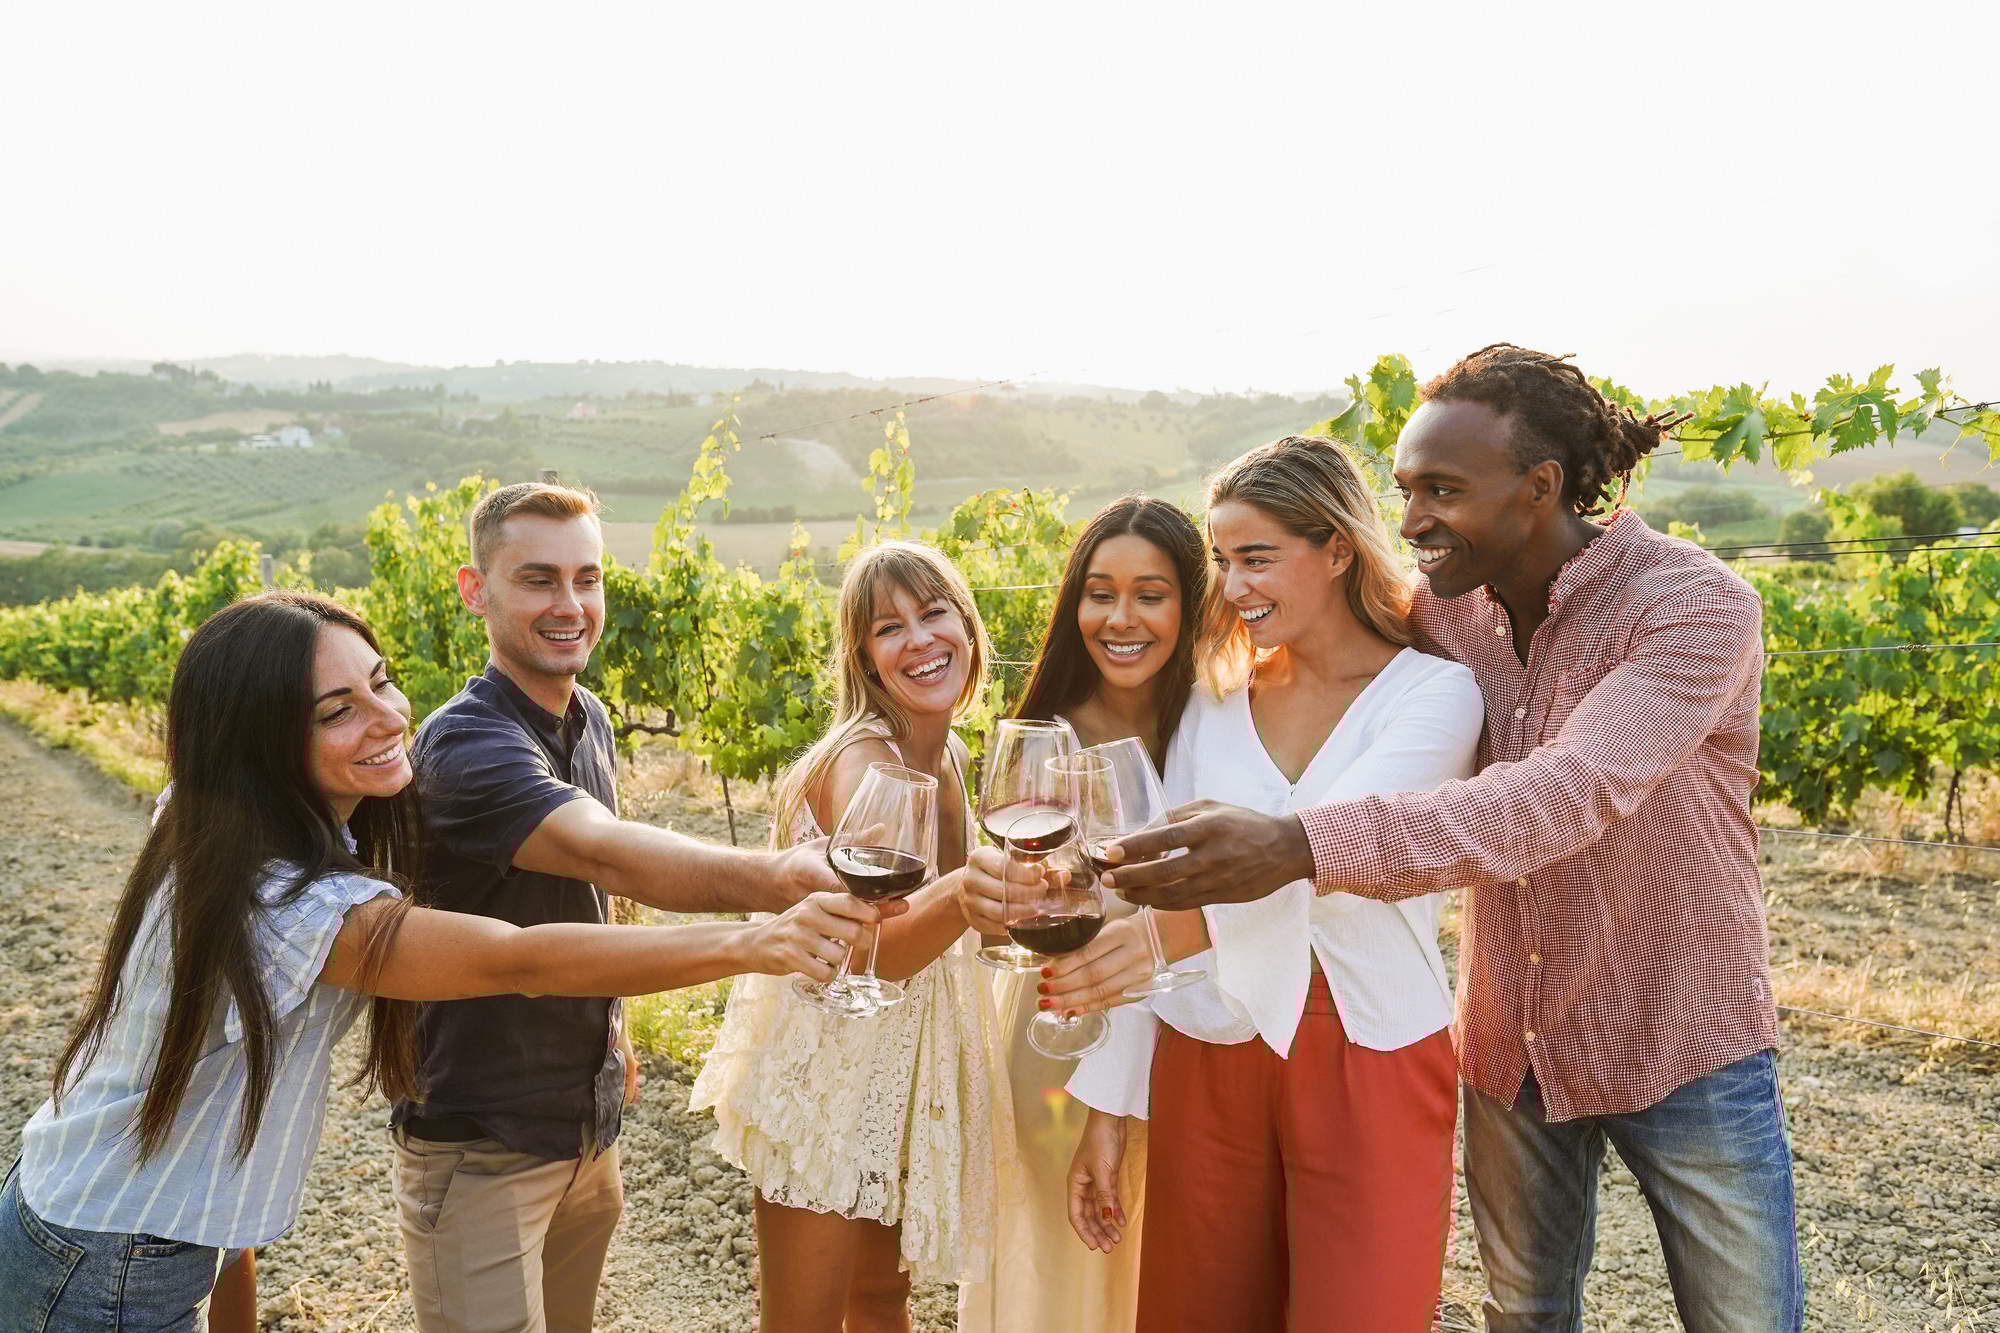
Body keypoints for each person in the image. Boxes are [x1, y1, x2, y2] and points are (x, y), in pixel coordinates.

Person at [1094, 346, 1802, 1332]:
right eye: (1403, 489)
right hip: (1509, 1039)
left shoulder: (1691, 607)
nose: (1412, 519)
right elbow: (1316, 639)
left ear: (1536, 487)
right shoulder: (1440, 612)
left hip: (1677, 1032)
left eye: (1441, 490)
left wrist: (1293, 843)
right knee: (1521, 1313)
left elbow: (1561, 794)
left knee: (1742, 1320)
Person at [0, 592, 881, 1333]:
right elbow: (518, 957)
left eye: (379, 681)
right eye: (335, 709)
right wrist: (751, 937)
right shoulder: (288, 903)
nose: (388, 717)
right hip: (107, 1252)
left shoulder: (214, 818)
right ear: (260, 741)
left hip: (95, 1218)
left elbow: (220, 1137)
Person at [1051, 439, 1483, 1330]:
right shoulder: (1210, 699)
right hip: (1210, 1048)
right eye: (1221, 560)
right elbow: (1149, 886)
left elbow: (1314, 852)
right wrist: (1106, 1105)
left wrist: (1160, 938)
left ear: (1335, 548)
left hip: (1370, 1053)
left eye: (1257, 558)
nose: (1234, 585)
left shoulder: (1435, 696)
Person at [391, 482, 841, 1333]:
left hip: (582, 1127)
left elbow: (601, 892)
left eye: (587, 579)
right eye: (538, 580)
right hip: (483, 1135)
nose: (571, 605)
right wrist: (777, 878)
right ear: (473, 588)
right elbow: (602, 849)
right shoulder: (466, 743)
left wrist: (617, 1033)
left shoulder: (587, 715)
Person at [690, 540, 1022, 1333]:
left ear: (968, 629)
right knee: (804, 1321)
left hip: (898, 1074)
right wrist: (976, 890)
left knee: (881, 1302)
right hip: (829, 1076)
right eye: (889, 627)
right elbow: (877, 951)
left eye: (934, 613)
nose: (919, 639)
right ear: (866, 659)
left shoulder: (951, 755)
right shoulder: (864, 762)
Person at [956, 496, 1209, 1333]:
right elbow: (999, 922)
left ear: (1191, 602)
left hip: (1194, 1037)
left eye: (1151, 592)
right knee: (1064, 1257)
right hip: (1061, 1031)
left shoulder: (1220, 725)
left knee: (1164, 1263)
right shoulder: (1047, 741)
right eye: (1100, 592)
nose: (1120, 617)